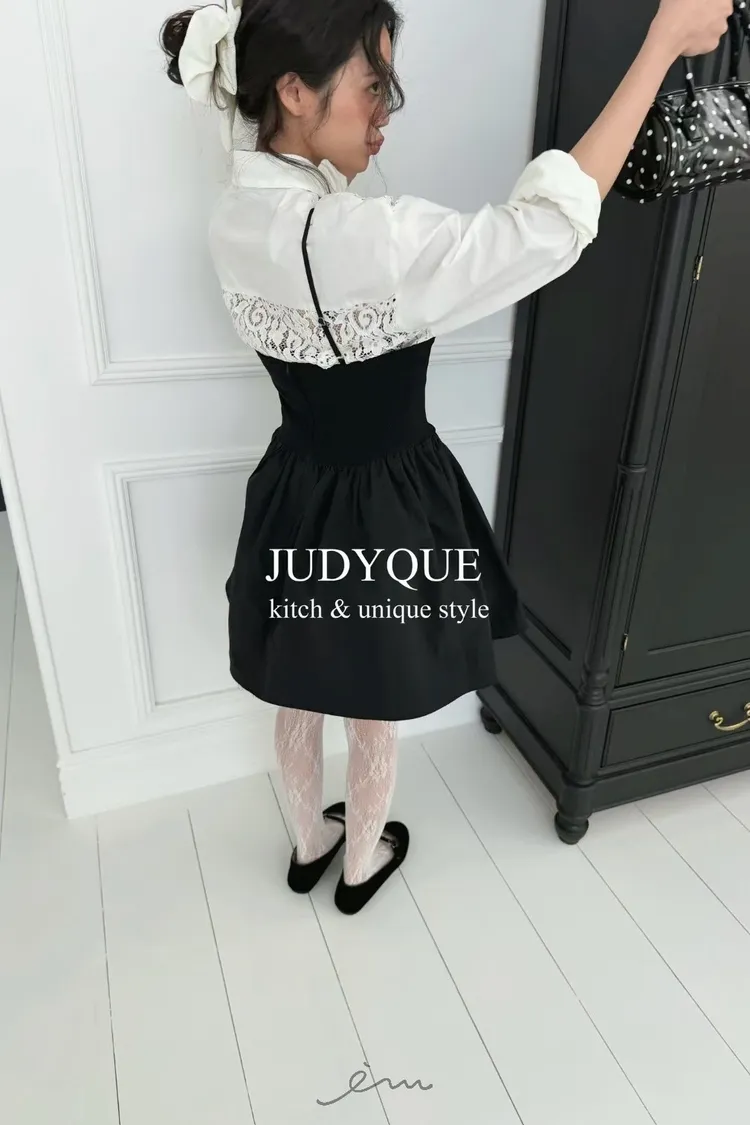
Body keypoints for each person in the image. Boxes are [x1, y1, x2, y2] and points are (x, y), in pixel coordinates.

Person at [160, 0, 732, 914]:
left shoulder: (237, 212)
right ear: (295, 90)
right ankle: (359, 863)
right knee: (372, 696)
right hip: (386, 502)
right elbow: (546, 230)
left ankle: (309, 845)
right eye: (373, 85)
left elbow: (261, 140)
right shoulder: (362, 239)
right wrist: (661, 42)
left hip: (295, 489)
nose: (387, 110)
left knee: (298, 687)